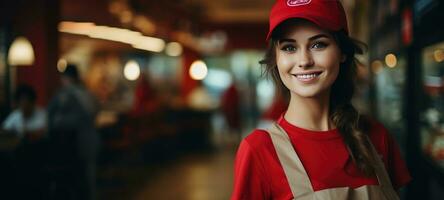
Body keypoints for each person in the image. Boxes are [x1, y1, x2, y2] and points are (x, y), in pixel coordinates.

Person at [231, 1, 411, 199]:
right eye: (289, 48)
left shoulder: (376, 137)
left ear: (342, 52)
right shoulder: (259, 151)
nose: (304, 61)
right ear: (276, 57)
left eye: (318, 44)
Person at [47, 64, 99, 200]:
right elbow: (95, 111)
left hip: (73, 144)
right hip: (90, 141)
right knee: (88, 180)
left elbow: (52, 117)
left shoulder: (65, 95)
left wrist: (58, 121)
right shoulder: (88, 93)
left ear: (66, 78)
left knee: (75, 181)